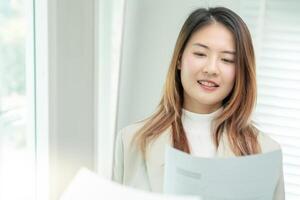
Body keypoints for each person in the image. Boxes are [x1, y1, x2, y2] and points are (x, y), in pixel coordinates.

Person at [112, 7, 285, 200]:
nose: (211, 69)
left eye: (227, 60)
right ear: (179, 59)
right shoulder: (131, 141)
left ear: (240, 72)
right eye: (200, 54)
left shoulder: (265, 152)